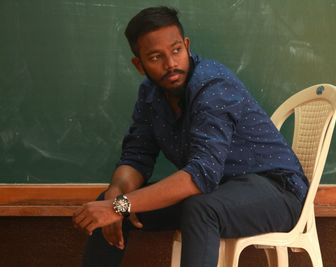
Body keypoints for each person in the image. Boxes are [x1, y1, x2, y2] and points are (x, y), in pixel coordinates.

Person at [72, 6, 309, 267]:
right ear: (139, 64)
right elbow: (137, 156)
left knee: (199, 209)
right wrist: (115, 195)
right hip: (219, 190)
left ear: (186, 45)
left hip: (277, 192)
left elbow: (200, 176)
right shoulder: (150, 95)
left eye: (176, 51)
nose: (171, 64)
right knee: (106, 204)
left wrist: (119, 206)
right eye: (155, 57)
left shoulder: (213, 86)